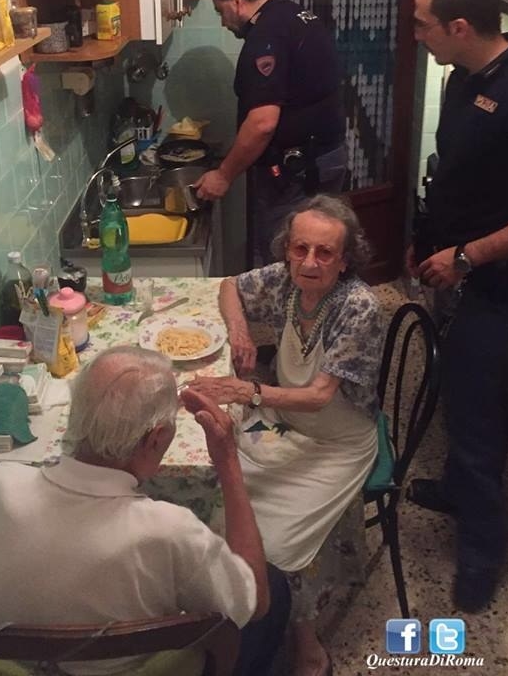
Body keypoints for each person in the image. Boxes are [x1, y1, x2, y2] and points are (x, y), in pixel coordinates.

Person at [0, 346, 290, 676]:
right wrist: (228, 462)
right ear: (156, 440)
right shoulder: (170, 529)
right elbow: (255, 602)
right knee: (272, 584)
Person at [188, 194, 383, 676]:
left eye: (325, 253)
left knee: (277, 544)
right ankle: (224, 611)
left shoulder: (357, 305)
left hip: (338, 442)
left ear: (344, 260)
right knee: (216, 481)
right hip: (287, 423)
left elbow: (319, 395)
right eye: (300, 249)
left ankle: (307, 643)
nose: (309, 263)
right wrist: (240, 332)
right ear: (288, 248)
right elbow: (230, 285)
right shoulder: (285, 281)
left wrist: (248, 390)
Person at [406, 0, 508, 612]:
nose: (416, 35)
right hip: (451, 266)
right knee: (455, 391)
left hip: (502, 286)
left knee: (481, 421)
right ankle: (454, 488)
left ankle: (482, 555)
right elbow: (453, 172)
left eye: (423, 25)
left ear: (459, 25)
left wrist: (467, 257)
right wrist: (426, 239)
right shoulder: (460, 79)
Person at [195, 0, 346, 264]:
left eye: (220, 11)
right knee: (318, 256)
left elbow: (263, 123)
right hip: (325, 158)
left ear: (236, 0)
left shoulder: (266, 36)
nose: (223, 22)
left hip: (297, 173)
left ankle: (281, 313)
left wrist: (223, 175)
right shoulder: (293, 14)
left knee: (284, 259)